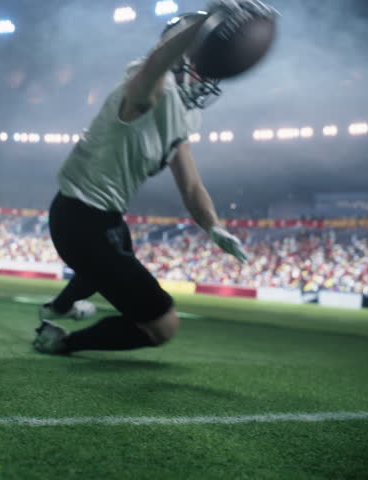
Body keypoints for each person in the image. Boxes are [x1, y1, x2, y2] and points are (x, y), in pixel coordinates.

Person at [33, 3, 273, 355]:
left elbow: (191, 186)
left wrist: (213, 226)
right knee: (163, 325)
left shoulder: (181, 114)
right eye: (201, 63)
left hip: (104, 219)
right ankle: (61, 342)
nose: (207, 76)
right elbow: (155, 65)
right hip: (79, 219)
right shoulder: (148, 89)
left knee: (110, 264)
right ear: (179, 58)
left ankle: (58, 308)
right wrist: (208, 22)